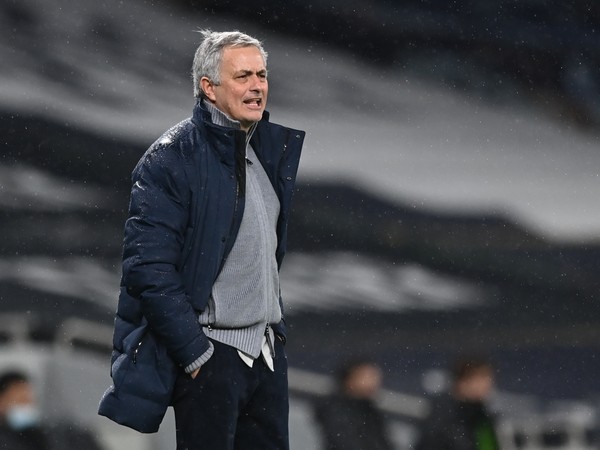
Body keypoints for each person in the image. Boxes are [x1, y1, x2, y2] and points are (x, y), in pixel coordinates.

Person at [99, 30, 305, 450]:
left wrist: (274, 334)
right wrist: (196, 353)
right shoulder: (171, 159)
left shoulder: (266, 153)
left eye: (262, 75)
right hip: (213, 357)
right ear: (209, 88)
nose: (257, 86)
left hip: (265, 357)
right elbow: (148, 269)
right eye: (243, 76)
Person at [0, 370, 104, 450]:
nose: (28, 407)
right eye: (21, 401)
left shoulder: (48, 435)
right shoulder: (6, 441)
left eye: (31, 401)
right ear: (2, 403)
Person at [415, 356, 501, 450]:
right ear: (462, 381)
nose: (487, 384)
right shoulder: (443, 414)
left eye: (488, 378)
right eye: (481, 378)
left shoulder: (481, 414)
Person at [313, 359, 395, 450]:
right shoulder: (335, 408)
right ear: (350, 378)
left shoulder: (371, 411)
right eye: (367, 376)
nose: (373, 382)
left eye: (375, 377)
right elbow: (345, 441)